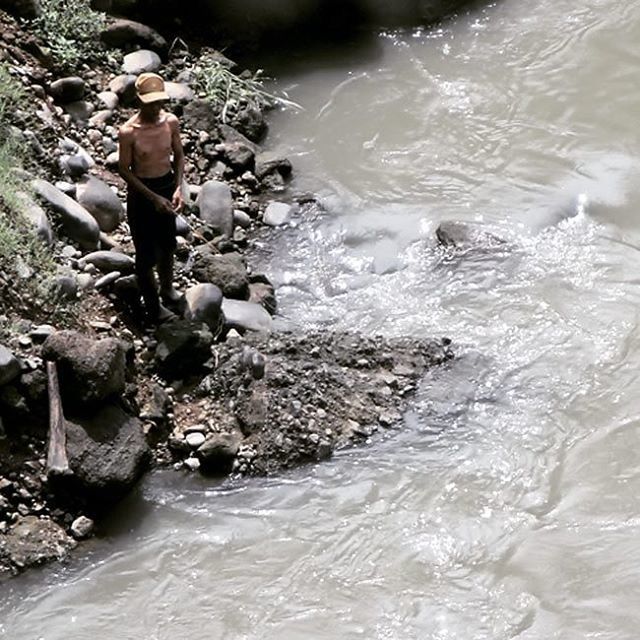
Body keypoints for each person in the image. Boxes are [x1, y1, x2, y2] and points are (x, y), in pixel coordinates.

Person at [118, 72, 185, 322]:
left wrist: (178, 188)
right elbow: (124, 170)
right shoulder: (128, 132)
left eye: (159, 102)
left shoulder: (170, 122)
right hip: (142, 193)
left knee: (168, 244)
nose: (156, 107)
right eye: (151, 102)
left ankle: (167, 288)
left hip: (166, 183)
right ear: (140, 100)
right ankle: (154, 309)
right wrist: (153, 198)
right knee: (145, 254)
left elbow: (179, 156)